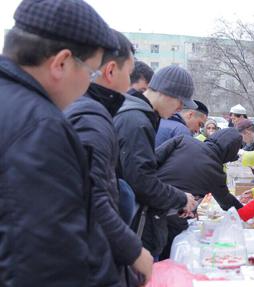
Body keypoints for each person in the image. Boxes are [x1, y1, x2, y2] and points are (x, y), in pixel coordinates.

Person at [0, 0, 121, 285]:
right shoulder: (39, 127)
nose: (89, 84)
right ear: (61, 62)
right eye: (91, 72)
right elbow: (48, 261)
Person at [65, 30, 152, 285]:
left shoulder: (83, 109)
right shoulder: (91, 117)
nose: (131, 85)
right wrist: (134, 251)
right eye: (130, 73)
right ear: (111, 71)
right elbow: (91, 194)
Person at [114, 65, 197, 257]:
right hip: (130, 228)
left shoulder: (140, 115)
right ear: (166, 93)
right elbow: (142, 182)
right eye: (180, 103)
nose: (179, 109)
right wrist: (180, 198)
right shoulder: (136, 121)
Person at [155, 128, 243, 259]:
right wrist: (246, 213)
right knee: (166, 256)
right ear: (229, 153)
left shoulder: (184, 140)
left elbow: (154, 159)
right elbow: (225, 201)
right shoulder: (215, 170)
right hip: (175, 213)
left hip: (150, 198)